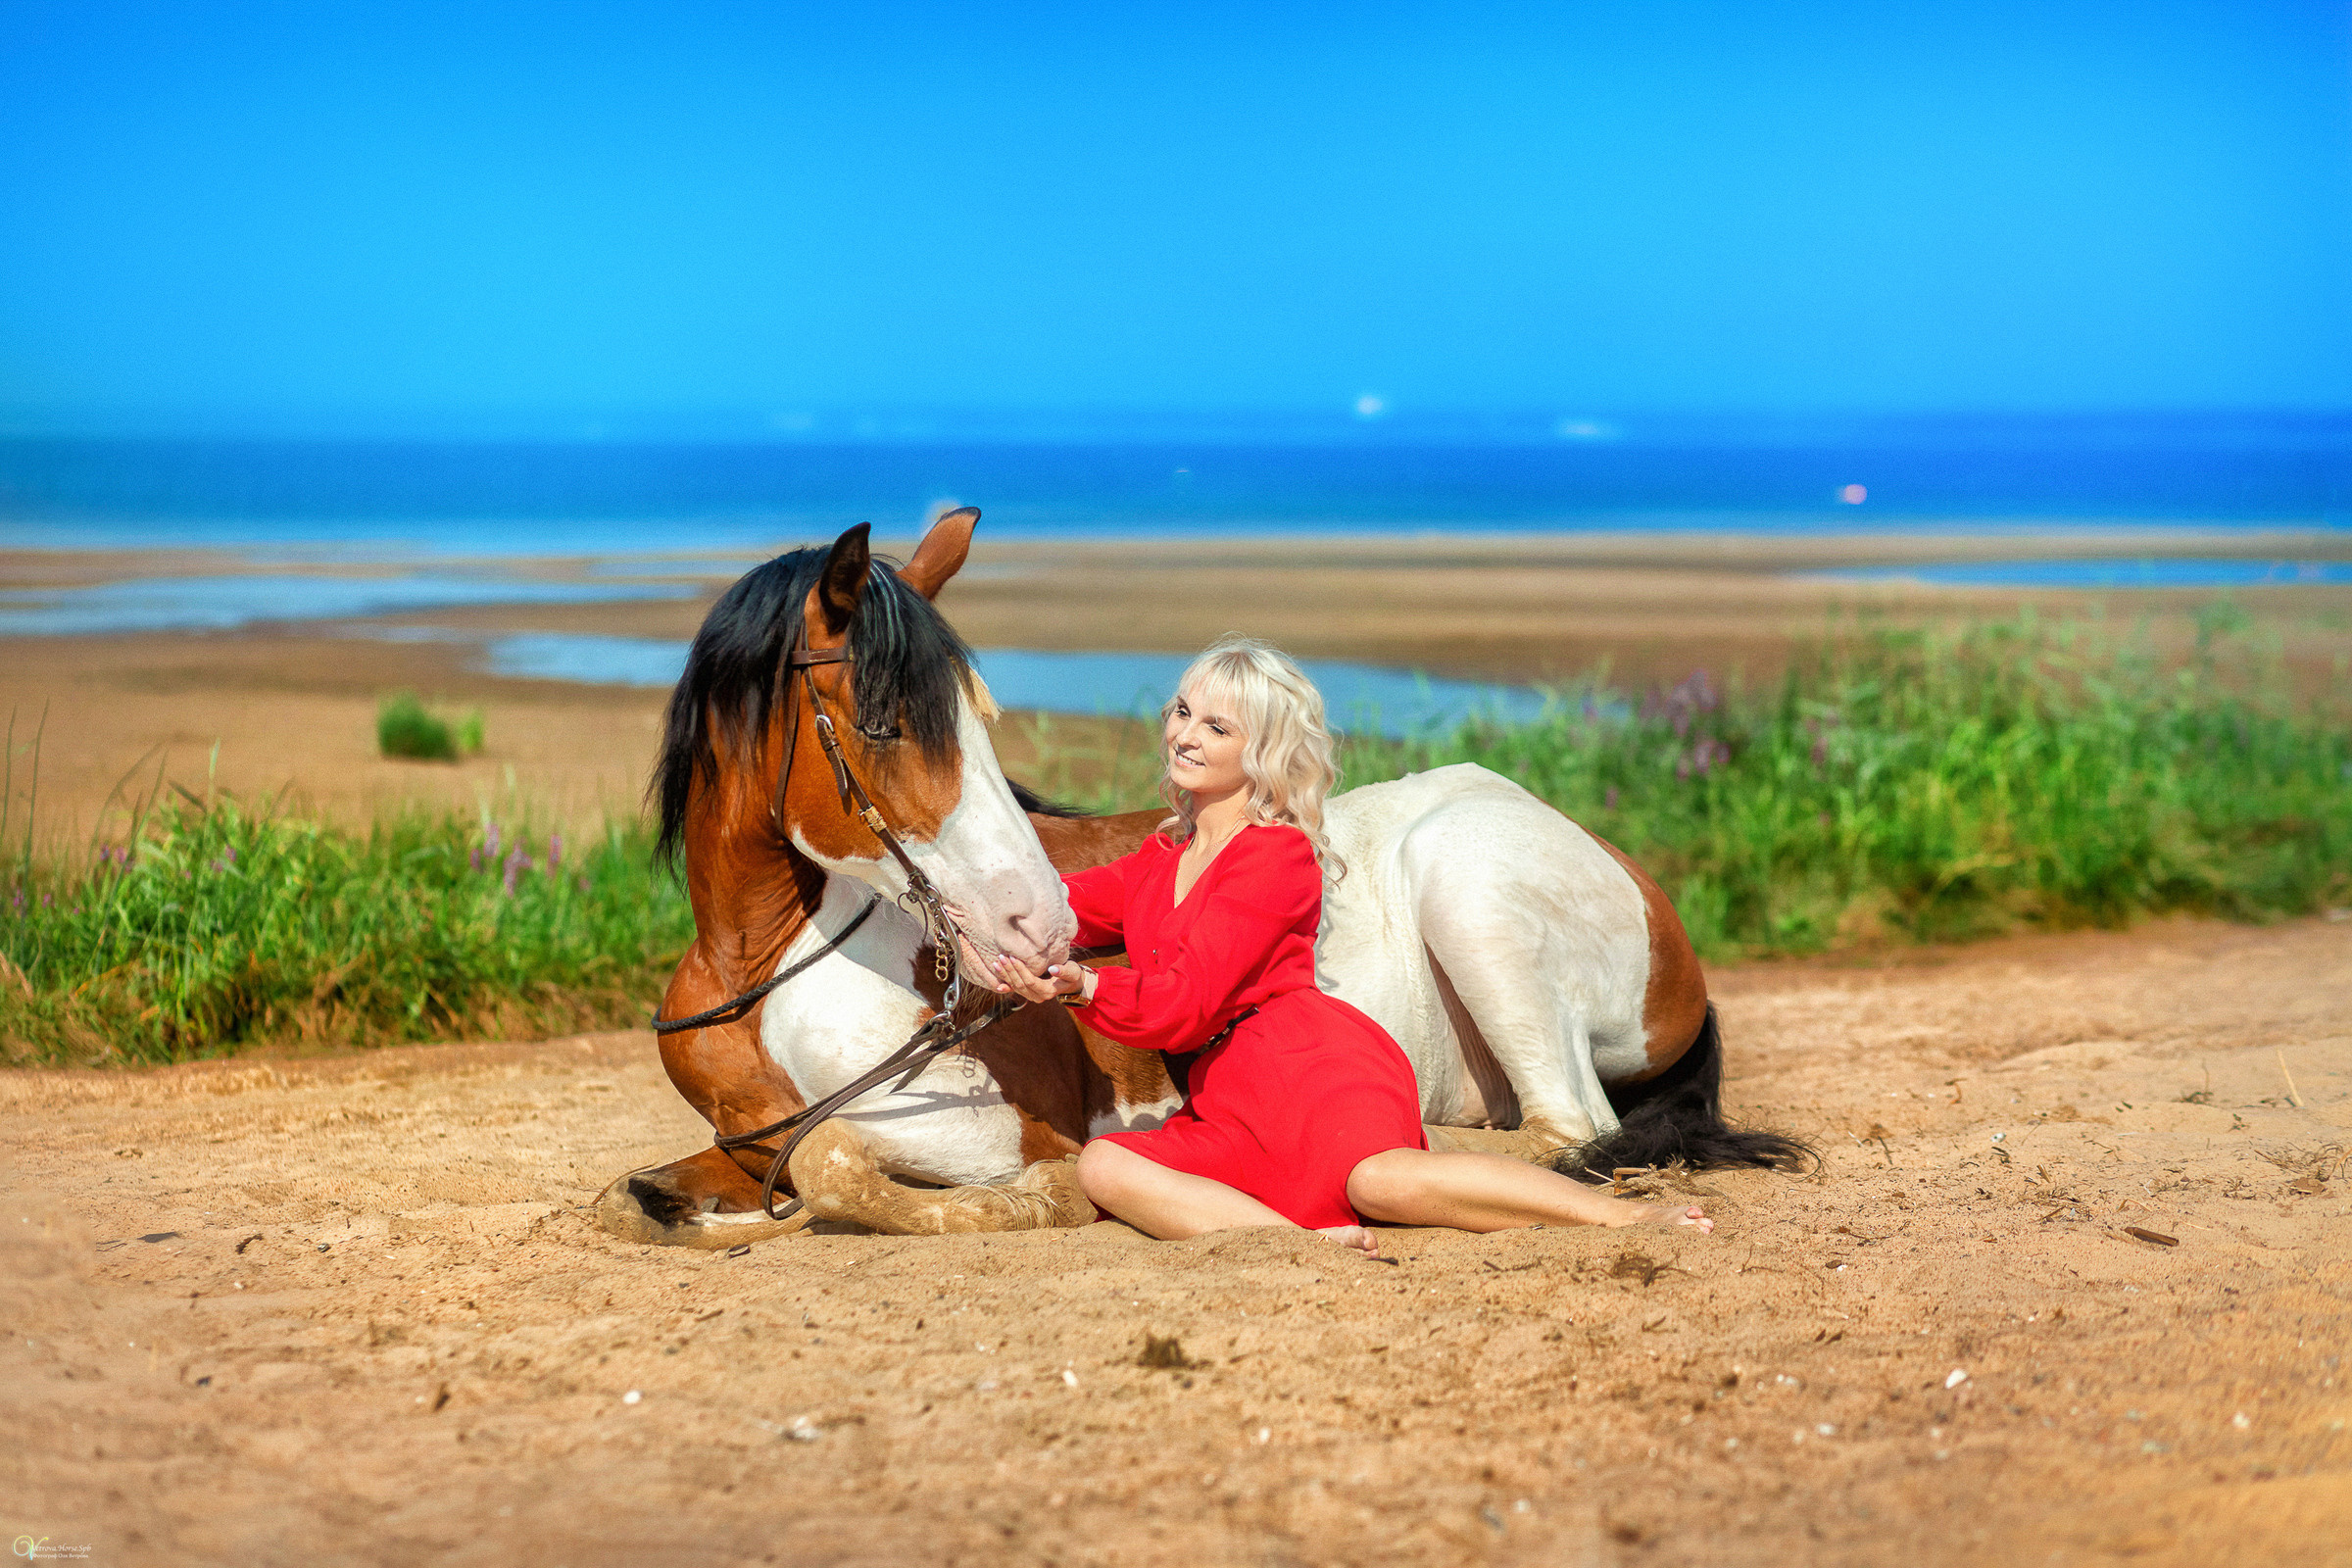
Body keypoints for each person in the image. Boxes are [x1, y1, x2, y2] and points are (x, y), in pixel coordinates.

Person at [983, 635, 1711, 1255]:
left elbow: (1189, 1004)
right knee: (1106, 1165)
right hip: (1228, 1105)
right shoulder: (1157, 863)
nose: (1186, 735)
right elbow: (1061, 902)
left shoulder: (1277, 856)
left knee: (1380, 1181)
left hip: (1315, 1072)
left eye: (1217, 727)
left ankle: (1625, 1213)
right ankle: (1299, 1244)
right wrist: (957, 903)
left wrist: (1083, 987)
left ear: (1262, 751)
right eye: (1182, 711)